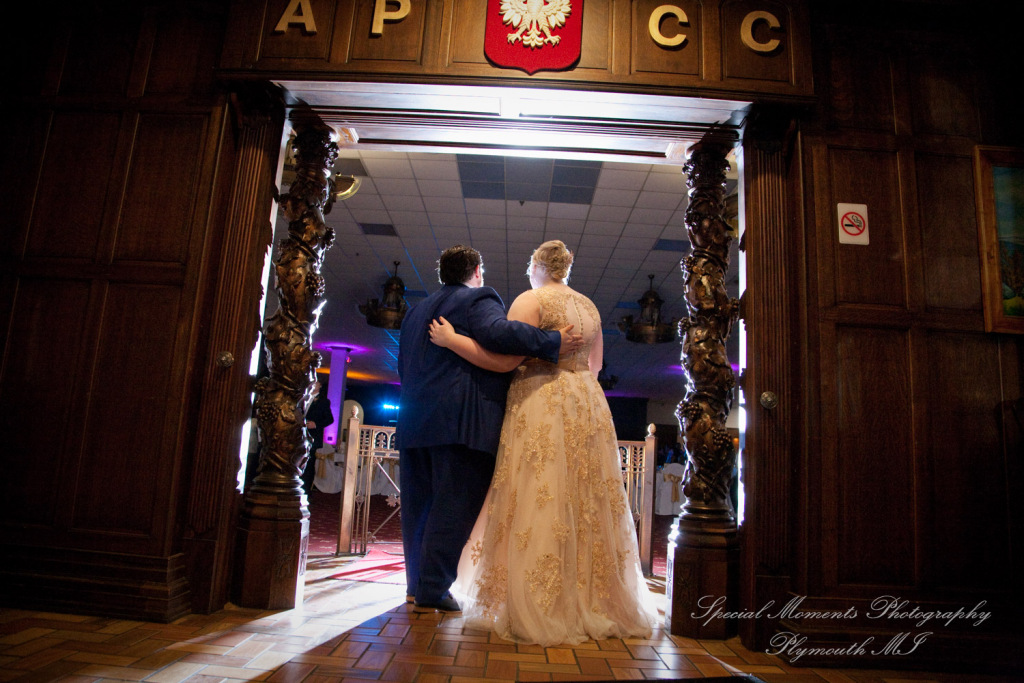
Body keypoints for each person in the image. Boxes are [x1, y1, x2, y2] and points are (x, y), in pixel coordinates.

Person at [428, 240, 659, 645]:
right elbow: (596, 365)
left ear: (537, 266)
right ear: (565, 268)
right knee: (585, 496)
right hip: (586, 401)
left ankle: (539, 599)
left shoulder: (530, 300)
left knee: (539, 491)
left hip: (542, 399)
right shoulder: (589, 307)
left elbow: (504, 360)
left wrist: (454, 343)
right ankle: (595, 598)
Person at [397, 244, 583, 614]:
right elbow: (499, 334)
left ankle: (417, 586)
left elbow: (404, 366)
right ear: (477, 271)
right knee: (453, 507)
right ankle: (434, 589)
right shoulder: (477, 298)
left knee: (418, 508)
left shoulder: (416, 311)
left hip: (415, 422)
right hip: (462, 422)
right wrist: (553, 340)